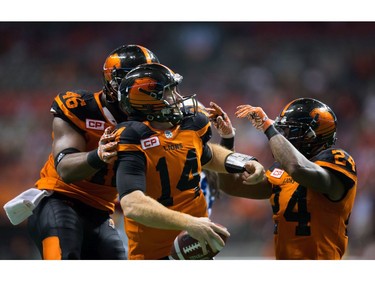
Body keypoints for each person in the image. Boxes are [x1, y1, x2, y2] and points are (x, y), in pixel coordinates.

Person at [4, 44, 160, 259]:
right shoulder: (80, 106)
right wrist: (99, 155)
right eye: (140, 82)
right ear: (115, 83)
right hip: (59, 202)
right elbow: (66, 168)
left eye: (151, 82)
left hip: (101, 214)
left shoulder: (154, 123)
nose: (148, 89)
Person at [110, 62, 265, 260]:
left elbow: (207, 154)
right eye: (169, 92)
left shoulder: (189, 125)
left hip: (195, 246)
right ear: (148, 100)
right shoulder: (132, 137)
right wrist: (189, 222)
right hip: (154, 254)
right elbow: (132, 204)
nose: (177, 97)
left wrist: (243, 161)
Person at [219, 97, 358, 260]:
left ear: (312, 136)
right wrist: (227, 139)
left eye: (291, 131)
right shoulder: (280, 168)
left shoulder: (339, 160)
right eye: (282, 131)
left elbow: (297, 168)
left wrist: (268, 126)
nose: (283, 136)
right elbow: (231, 186)